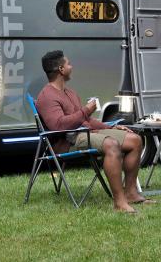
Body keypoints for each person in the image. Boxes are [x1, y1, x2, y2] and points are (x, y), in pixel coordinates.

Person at [35, 50, 152, 213]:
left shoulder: (70, 93)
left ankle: (131, 192)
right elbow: (58, 126)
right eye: (69, 64)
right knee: (111, 145)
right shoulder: (47, 96)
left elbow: (86, 121)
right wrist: (86, 111)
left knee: (135, 140)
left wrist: (109, 127)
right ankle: (119, 202)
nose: (72, 66)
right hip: (66, 143)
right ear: (61, 69)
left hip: (84, 133)